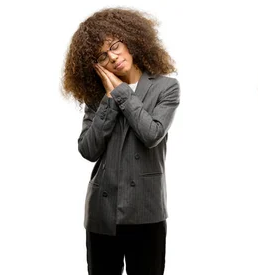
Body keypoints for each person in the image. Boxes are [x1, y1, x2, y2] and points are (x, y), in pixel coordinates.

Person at [62, 8, 179, 275]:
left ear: (130, 41)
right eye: (102, 56)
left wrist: (122, 93)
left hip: (146, 211)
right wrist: (109, 99)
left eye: (114, 46)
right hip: (102, 213)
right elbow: (88, 149)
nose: (112, 57)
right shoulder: (97, 96)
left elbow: (151, 134)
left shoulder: (166, 87)